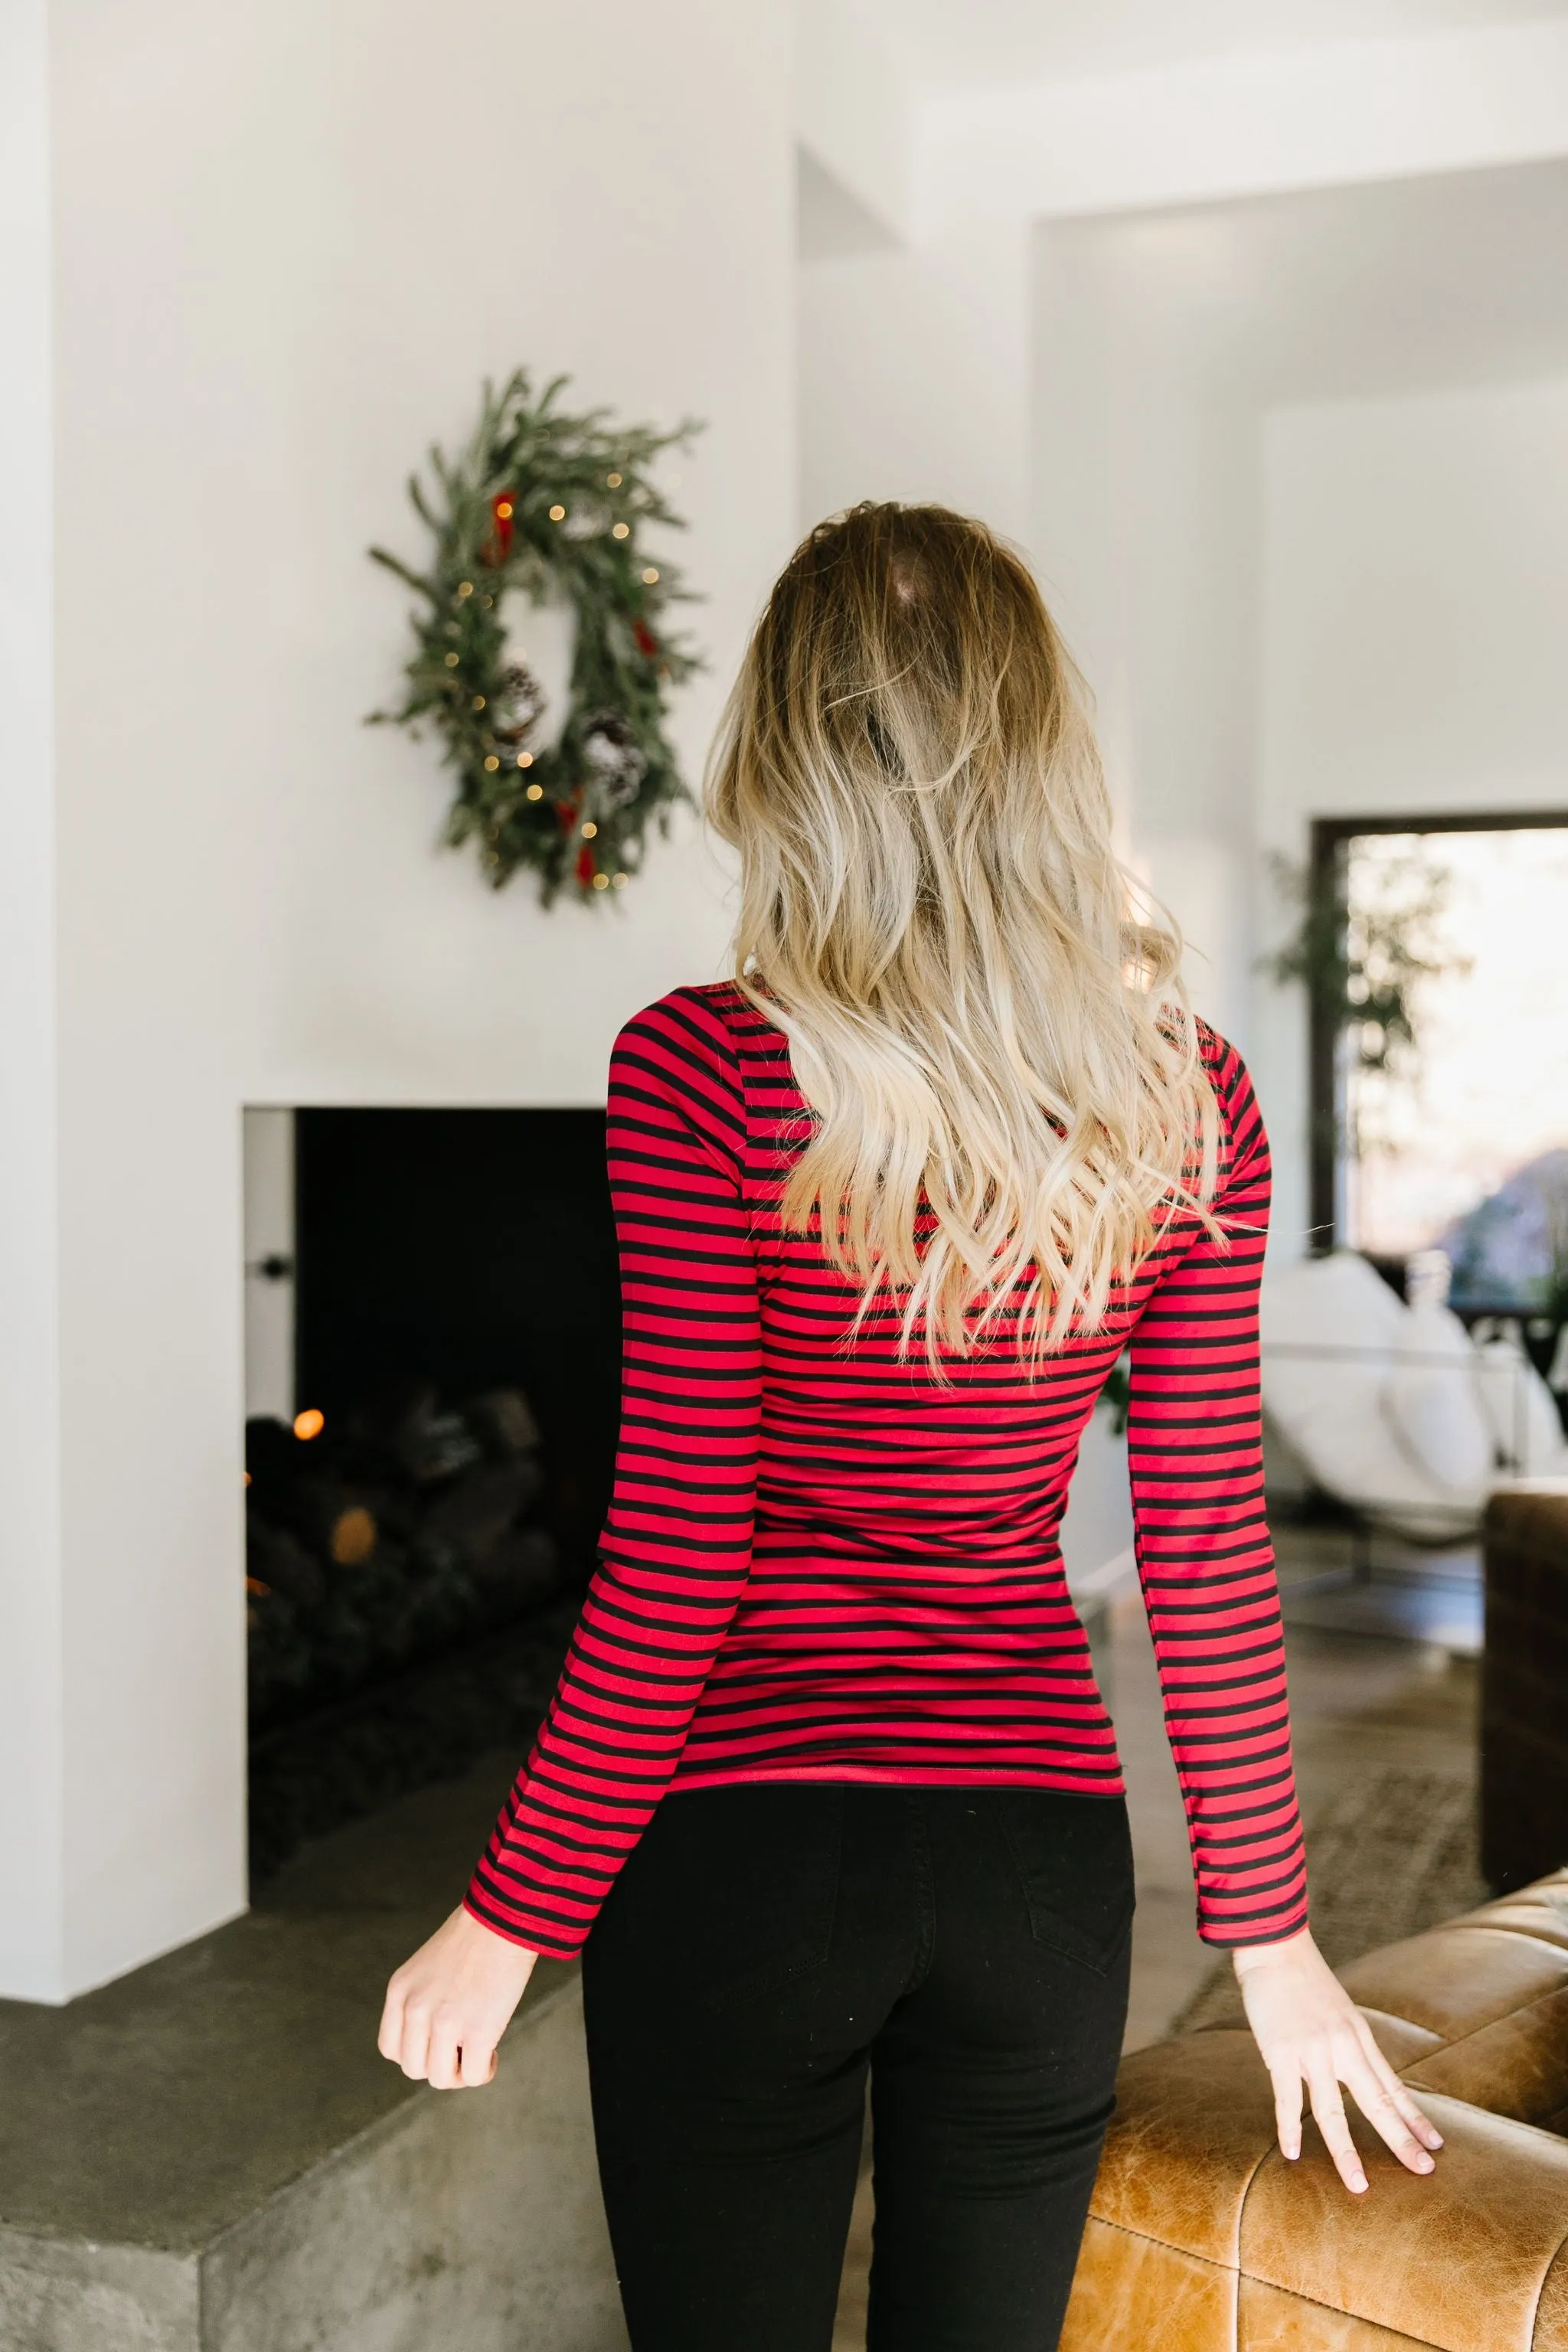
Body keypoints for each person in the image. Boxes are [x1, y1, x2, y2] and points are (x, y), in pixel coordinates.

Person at [377, 504, 1442, 2351]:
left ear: (777, 759)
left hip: (743, 1858)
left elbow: (686, 1538)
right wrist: (1270, 1945)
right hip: (1031, 1869)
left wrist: (512, 1908)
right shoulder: (1180, 1092)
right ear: (1041, 748)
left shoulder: (697, 1066)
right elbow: (1195, 1543)